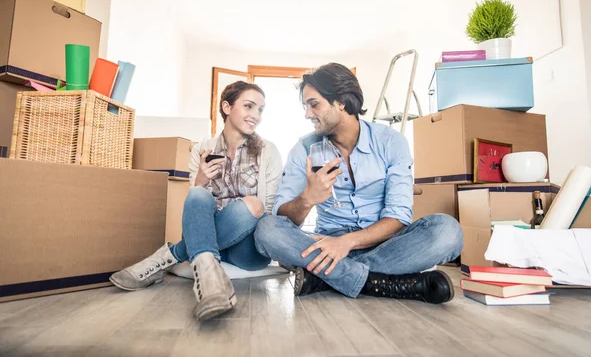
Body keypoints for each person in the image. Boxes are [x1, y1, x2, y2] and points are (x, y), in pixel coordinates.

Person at [254, 63, 463, 304]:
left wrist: (347, 243)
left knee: (448, 231)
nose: (307, 114)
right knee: (266, 230)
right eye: (306, 106)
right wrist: (307, 198)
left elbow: (399, 216)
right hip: (327, 241)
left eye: (314, 104)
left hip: (385, 243)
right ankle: (386, 283)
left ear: (341, 101)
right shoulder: (303, 149)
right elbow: (282, 218)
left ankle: (325, 277)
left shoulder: (391, 142)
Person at [110, 81, 283, 321]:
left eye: (260, 110)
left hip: (248, 248)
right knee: (197, 193)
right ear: (226, 107)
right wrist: (201, 180)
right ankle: (211, 284)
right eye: (249, 106)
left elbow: (269, 209)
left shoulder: (268, 151)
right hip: (207, 236)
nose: (256, 115)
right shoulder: (202, 148)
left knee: (254, 204)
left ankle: (166, 257)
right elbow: (196, 209)